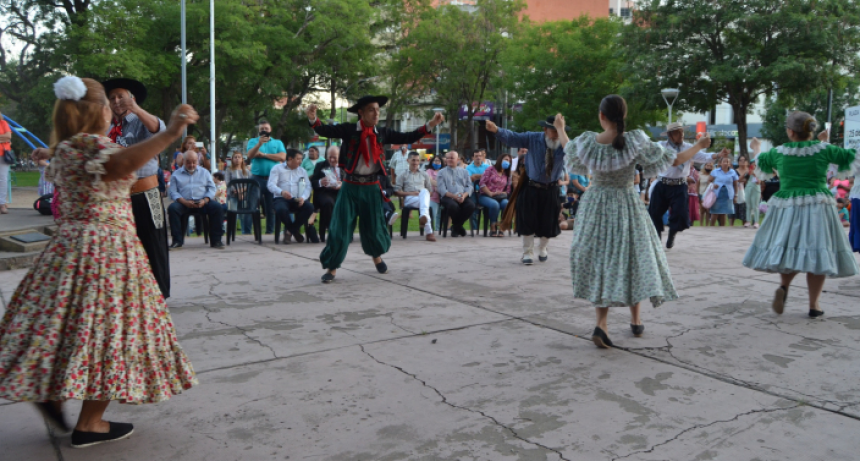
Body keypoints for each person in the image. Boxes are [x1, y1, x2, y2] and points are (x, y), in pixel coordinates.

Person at [1, 76, 197, 447]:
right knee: (115, 336)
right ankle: (90, 423)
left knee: (68, 328)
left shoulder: (65, 148)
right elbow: (122, 161)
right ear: (97, 112)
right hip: (107, 251)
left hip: (68, 250)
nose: (112, 109)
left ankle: (52, 392)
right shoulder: (93, 145)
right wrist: (172, 132)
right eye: (108, 104)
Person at [564, 94, 712, 348]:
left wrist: (559, 128)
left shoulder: (589, 142)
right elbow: (673, 160)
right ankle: (635, 319)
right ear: (625, 115)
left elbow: (570, 148)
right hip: (625, 203)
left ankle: (602, 323)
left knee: (602, 260)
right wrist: (699, 146)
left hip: (595, 205)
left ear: (601, 116)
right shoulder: (635, 140)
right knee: (634, 256)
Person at [307, 96, 444, 283]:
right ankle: (332, 267)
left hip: (371, 187)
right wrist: (313, 119)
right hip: (350, 187)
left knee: (373, 227)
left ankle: (377, 257)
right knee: (340, 227)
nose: (376, 113)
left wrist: (430, 124)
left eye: (378, 109)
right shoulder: (349, 130)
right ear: (361, 112)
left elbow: (408, 137)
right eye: (371, 109)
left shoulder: (382, 133)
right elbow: (324, 129)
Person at [743, 111, 860, 318]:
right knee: (817, 251)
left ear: (790, 132)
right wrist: (825, 142)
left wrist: (756, 147)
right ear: (811, 132)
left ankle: (784, 286)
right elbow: (851, 156)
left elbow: (760, 162)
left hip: (787, 205)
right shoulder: (823, 149)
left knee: (789, 248)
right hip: (817, 204)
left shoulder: (779, 152)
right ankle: (814, 304)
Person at [103, 78, 172, 298]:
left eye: (120, 96)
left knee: (153, 242)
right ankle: (131, 296)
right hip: (119, 197)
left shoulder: (143, 120)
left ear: (131, 98)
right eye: (112, 98)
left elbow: (158, 128)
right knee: (122, 246)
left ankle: (159, 294)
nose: (116, 101)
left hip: (146, 193)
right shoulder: (107, 127)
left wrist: (135, 108)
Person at [486, 115, 570, 265]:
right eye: (553, 130)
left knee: (549, 222)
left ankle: (543, 247)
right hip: (531, 186)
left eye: (559, 130)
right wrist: (497, 130)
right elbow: (513, 137)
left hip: (551, 188)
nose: (557, 134)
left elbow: (574, 152)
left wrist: (562, 132)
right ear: (545, 129)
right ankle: (527, 252)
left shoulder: (565, 143)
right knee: (527, 220)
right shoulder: (532, 138)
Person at [649, 122, 728, 249]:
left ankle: (672, 234)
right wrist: (699, 145)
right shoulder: (661, 146)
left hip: (679, 185)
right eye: (677, 132)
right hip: (662, 184)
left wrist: (718, 155)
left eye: (682, 132)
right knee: (655, 214)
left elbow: (703, 156)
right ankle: (657, 239)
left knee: (680, 214)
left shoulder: (689, 147)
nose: (681, 135)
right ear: (670, 135)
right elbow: (674, 161)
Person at [167, 150, 225, 249]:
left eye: (194, 162)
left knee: (217, 207)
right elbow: (172, 192)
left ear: (198, 161)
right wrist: (184, 201)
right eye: (188, 162)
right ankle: (177, 241)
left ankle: (216, 240)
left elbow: (211, 188)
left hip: (203, 202)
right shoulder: (176, 174)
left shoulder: (205, 172)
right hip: (184, 203)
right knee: (172, 208)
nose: (192, 164)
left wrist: (205, 200)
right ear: (183, 161)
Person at [247, 120, 286, 234]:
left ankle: (270, 232)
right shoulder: (253, 141)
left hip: (272, 179)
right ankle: (247, 232)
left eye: (266, 128)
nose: (264, 130)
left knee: (271, 207)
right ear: (259, 131)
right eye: (261, 129)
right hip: (256, 178)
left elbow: (282, 157)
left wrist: (263, 155)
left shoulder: (278, 142)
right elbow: (250, 155)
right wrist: (259, 144)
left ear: (270, 130)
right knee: (252, 205)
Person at [269, 149, 315, 244]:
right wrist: (281, 192)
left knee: (310, 207)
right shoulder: (277, 168)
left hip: (297, 199)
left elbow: (308, 186)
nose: (300, 161)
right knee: (281, 209)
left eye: (301, 159)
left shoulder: (302, 171)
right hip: (281, 198)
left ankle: (290, 231)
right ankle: (294, 231)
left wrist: (303, 197)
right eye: (298, 159)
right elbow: (271, 185)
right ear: (290, 158)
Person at [394, 151, 437, 241]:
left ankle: (425, 222)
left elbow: (430, 191)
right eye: (413, 160)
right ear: (408, 160)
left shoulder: (424, 174)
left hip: (422, 198)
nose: (416, 163)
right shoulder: (402, 175)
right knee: (424, 203)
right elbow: (397, 192)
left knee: (424, 191)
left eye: (417, 160)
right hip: (409, 199)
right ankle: (428, 231)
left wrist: (422, 194)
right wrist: (411, 193)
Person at [437, 150, 477, 237]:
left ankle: (456, 226)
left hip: (463, 195)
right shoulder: (441, 172)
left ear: (458, 159)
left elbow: (470, 186)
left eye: (452, 158)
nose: (449, 160)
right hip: (448, 196)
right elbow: (442, 189)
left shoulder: (464, 172)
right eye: (447, 158)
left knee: (471, 205)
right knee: (453, 206)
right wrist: (454, 196)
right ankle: (458, 227)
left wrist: (464, 195)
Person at [310, 146, 342, 243]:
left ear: (339, 156)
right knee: (328, 203)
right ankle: (331, 228)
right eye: (329, 157)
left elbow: (350, 181)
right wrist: (320, 182)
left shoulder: (345, 166)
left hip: (340, 192)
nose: (332, 159)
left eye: (334, 157)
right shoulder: (320, 165)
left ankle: (344, 232)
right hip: (324, 193)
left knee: (347, 203)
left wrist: (342, 184)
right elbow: (313, 182)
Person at [478, 153, 512, 237]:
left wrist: (501, 193)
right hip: (486, 195)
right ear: (500, 159)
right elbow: (482, 183)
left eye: (509, 161)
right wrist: (490, 193)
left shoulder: (507, 174)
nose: (507, 162)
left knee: (506, 204)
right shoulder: (490, 169)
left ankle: (502, 227)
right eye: (506, 159)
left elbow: (508, 190)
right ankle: (493, 226)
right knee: (494, 205)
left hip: (500, 196)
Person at [224, 150, 253, 235]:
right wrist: (235, 190)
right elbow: (228, 182)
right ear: (232, 159)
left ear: (242, 159)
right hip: (232, 194)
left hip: (244, 195)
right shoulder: (229, 170)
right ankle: (232, 232)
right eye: (235, 157)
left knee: (244, 215)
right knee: (232, 213)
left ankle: (246, 232)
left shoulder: (246, 171)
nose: (237, 159)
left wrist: (241, 191)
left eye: (239, 157)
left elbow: (250, 183)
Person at [708, 156, 739, 226]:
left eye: (727, 162)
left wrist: (736, 195)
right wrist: (713, 185)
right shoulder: (715, 171)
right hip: (717, 193)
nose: (725, 163)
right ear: (720, 163)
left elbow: (735, 185)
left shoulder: (733, 172)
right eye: (724, 162)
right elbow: (709, 181)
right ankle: (711, 227)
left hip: (728, 193)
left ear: (729, 164)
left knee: (724, 212)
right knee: (715, 211)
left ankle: (722, 228)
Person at [425, 155, 444, 233]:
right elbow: (430, 181)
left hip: (443, 196)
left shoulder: (443, 171)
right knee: (433, 214)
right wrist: (440, 185)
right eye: (435, 161)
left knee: (440, 215)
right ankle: (432, 231)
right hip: (433, 197)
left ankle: (438, 230)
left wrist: (436, 184)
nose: (437, 162)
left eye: (438, 161)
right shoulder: (429, 171)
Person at [730, 155, 751, 226]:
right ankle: (730, 228)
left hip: (747, 192)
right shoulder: (734, 171)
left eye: (744, 160)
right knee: (733, 212)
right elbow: (736, 180)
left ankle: (744, 227)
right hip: (736, 193)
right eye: (740, 160)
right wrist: (744, 174)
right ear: (738, 162)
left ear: (747, 162)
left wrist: (743, 180)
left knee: (744, 212)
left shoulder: (750, 171)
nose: (742, 162)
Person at [745, 154, 762, 229]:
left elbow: (758, 182)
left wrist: (755, 174)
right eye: (752, 165)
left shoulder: (759, 173)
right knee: (748, 206)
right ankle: (748, 221)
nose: (753, 166)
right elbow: (742, 179)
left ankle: (756, 222)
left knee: (755, 206)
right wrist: (748, 172)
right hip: (748, 189)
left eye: (755, 165)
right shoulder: (748, 172)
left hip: (756, 189)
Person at [0, 111, 11, 214]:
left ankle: (2, 203)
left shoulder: (3, 123)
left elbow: (8, 136)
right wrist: (2, 138)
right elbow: (5, 137)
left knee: (3, 179)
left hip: (3, 154)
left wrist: (4, 138)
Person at [697, 162, 714, 226]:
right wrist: (697, 193)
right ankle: (701, 224)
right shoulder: (700, 174)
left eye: (710, 166)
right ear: (705, 166)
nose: (708, 167)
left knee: (708, 210)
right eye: (707, 165)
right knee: (702, 211)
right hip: (701, 193)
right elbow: (697, 184)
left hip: (709, 194)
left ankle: (707, 224)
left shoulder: (712, 175)